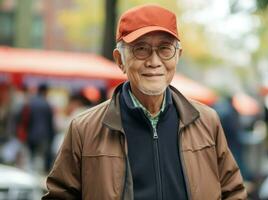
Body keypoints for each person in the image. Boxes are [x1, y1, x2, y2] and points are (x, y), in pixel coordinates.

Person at [43, 4, 247, 200]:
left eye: (165, 49)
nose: (154, 61)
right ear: (120, 60)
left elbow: (233, 191)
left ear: (178, 57)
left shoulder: (206, 121)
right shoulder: (84, 129)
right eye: (141, 49)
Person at [26, 83, 55, 172]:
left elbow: (26, 119)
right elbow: (50, 121)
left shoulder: (31, 102)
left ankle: (30, 172)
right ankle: (39, 173)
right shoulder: (47, 104)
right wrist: (52, 135)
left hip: (31, 133)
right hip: (44, 134)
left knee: (31, 155)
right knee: (41, 156)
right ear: (45, 91)